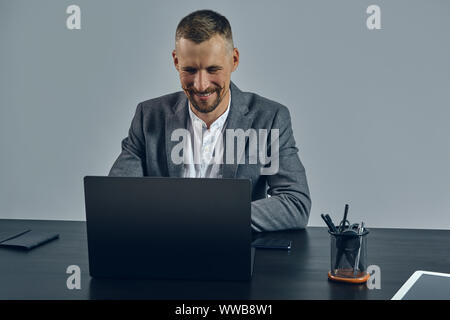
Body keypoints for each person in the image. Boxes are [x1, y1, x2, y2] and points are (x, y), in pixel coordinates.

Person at [109, 9, 311, 232]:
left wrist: (213, 219)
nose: (201, 84)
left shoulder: (270, 118)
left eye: (213, 69)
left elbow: (295, 202)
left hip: (233, 254)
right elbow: (118, 197)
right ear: (176, 61)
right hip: (163, 253)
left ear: (234, 60)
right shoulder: (148, 116)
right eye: (190, 70)